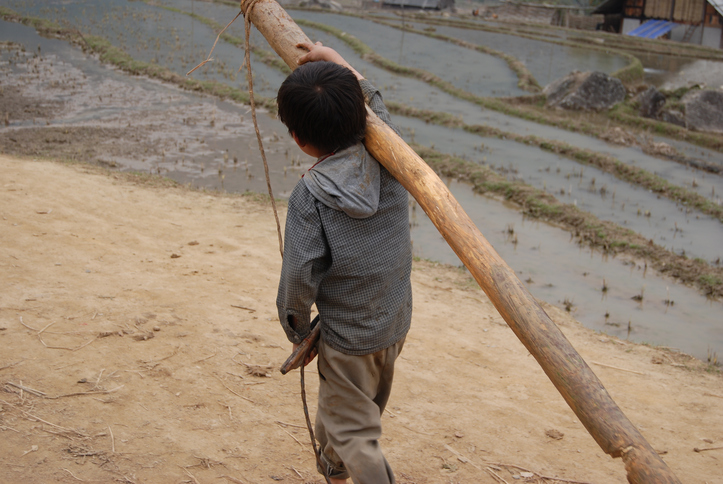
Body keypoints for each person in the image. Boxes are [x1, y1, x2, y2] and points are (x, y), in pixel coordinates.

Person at [276, 41, 412, 484]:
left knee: (355, 432)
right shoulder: (389, 149)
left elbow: (299, 276)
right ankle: (334, 472)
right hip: (394, 319)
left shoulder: (310, 195)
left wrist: (299, 330)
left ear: (298, 138)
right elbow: (371, 96)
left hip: (349, 336)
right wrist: (332, 57)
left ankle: (354, 466)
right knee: (350, 409)